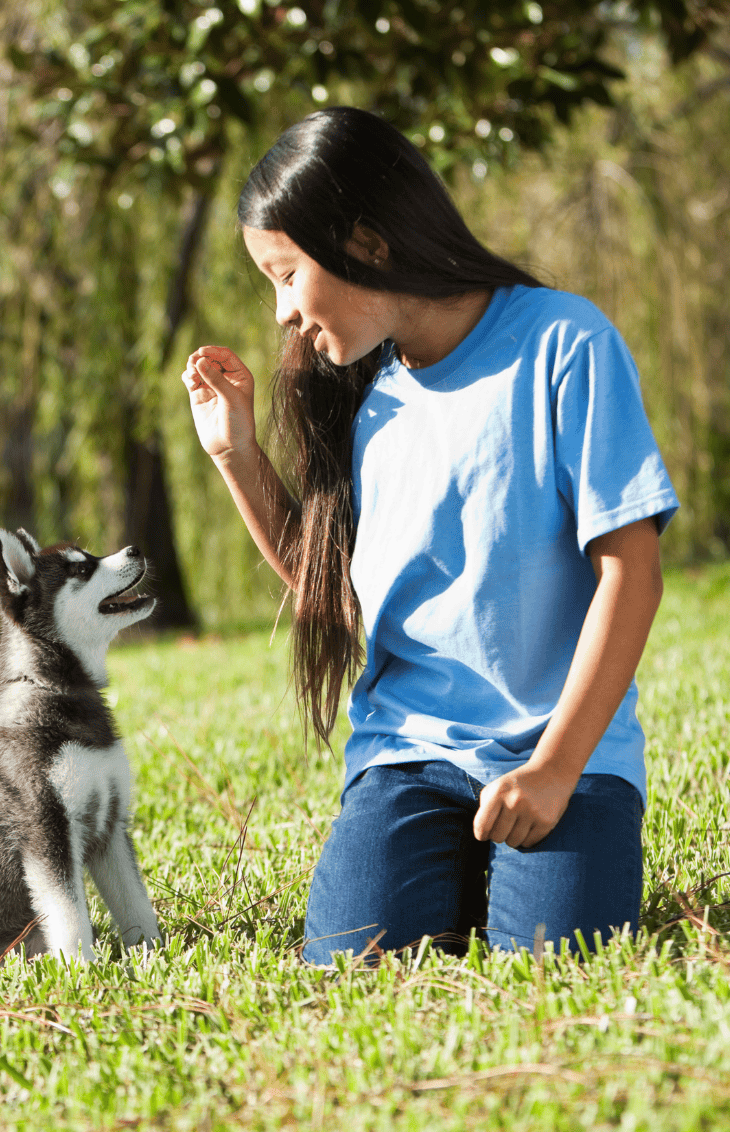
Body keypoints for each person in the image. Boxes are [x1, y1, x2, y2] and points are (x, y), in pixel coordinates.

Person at [181, 106, 680, 964]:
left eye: (287, 275)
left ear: (368, 243)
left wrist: (556, 768)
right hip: (410, 757)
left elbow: (631, 574)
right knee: (350, 963)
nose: (279, 314)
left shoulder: (564, 341)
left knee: (558, 969)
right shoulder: (364, 391)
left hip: (566, 751)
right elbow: (331, 593)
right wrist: (236, 454)